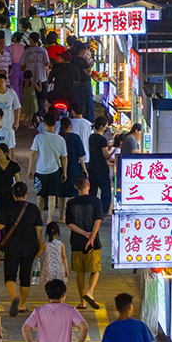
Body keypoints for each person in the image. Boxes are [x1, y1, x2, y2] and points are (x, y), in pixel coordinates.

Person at [0, 182, 45, 317]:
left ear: (13, 195)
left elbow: (1, 227)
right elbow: (39, 230)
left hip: (12, 246)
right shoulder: (33, 209)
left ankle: (14, 296)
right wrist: (38, 247)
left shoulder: (7, 207)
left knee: (10, 276)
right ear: (26, 194)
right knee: (25, 276)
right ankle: (22, 305)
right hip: (30, 247)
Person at [66, 176, 102, 309]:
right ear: (88, 184)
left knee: (79, 272)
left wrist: (83, 234)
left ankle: (82, 302)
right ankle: (90, 292)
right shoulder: (96, 201)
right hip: (93, 244)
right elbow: (97, 221)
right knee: (95, 270)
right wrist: (91, 238)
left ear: (75, 187)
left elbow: (69, 223)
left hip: (76, 242)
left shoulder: (71, 203)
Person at [29, 114, 68, 224]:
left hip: (40, 171)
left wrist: (30, 169)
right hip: (54, 171)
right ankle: (50, 219)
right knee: (52, 196)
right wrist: (64, 172)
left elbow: (33, 154)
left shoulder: (38, 138)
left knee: (40, 196)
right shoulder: (60, 139)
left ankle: (39, 217)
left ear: (44, 125)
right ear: (55, 125)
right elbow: (64, 157)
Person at [58, 118, 87, 213]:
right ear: (70, 126)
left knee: (61, 193)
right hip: (74, 168)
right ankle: (72, 213)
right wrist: (84, 168)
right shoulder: (75, 138)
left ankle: (61, 215)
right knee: (73, 192)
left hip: (60, 168)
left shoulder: (58, 137)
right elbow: (80, 156)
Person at [88, 117, 113, 215]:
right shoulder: (102, 139)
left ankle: (91, 209)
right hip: (101, 167)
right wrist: (112, 149)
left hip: (92, 166)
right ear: (102, 127)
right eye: (106, 125)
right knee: (105, 190)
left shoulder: (92, 137)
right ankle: (103, 210)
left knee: (92, 189)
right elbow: (106, 154)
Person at [0, 143, 21, 211]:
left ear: (5, 153)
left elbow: (18, 181)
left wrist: (17, 194)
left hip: (9, 193)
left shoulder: (13, 165)